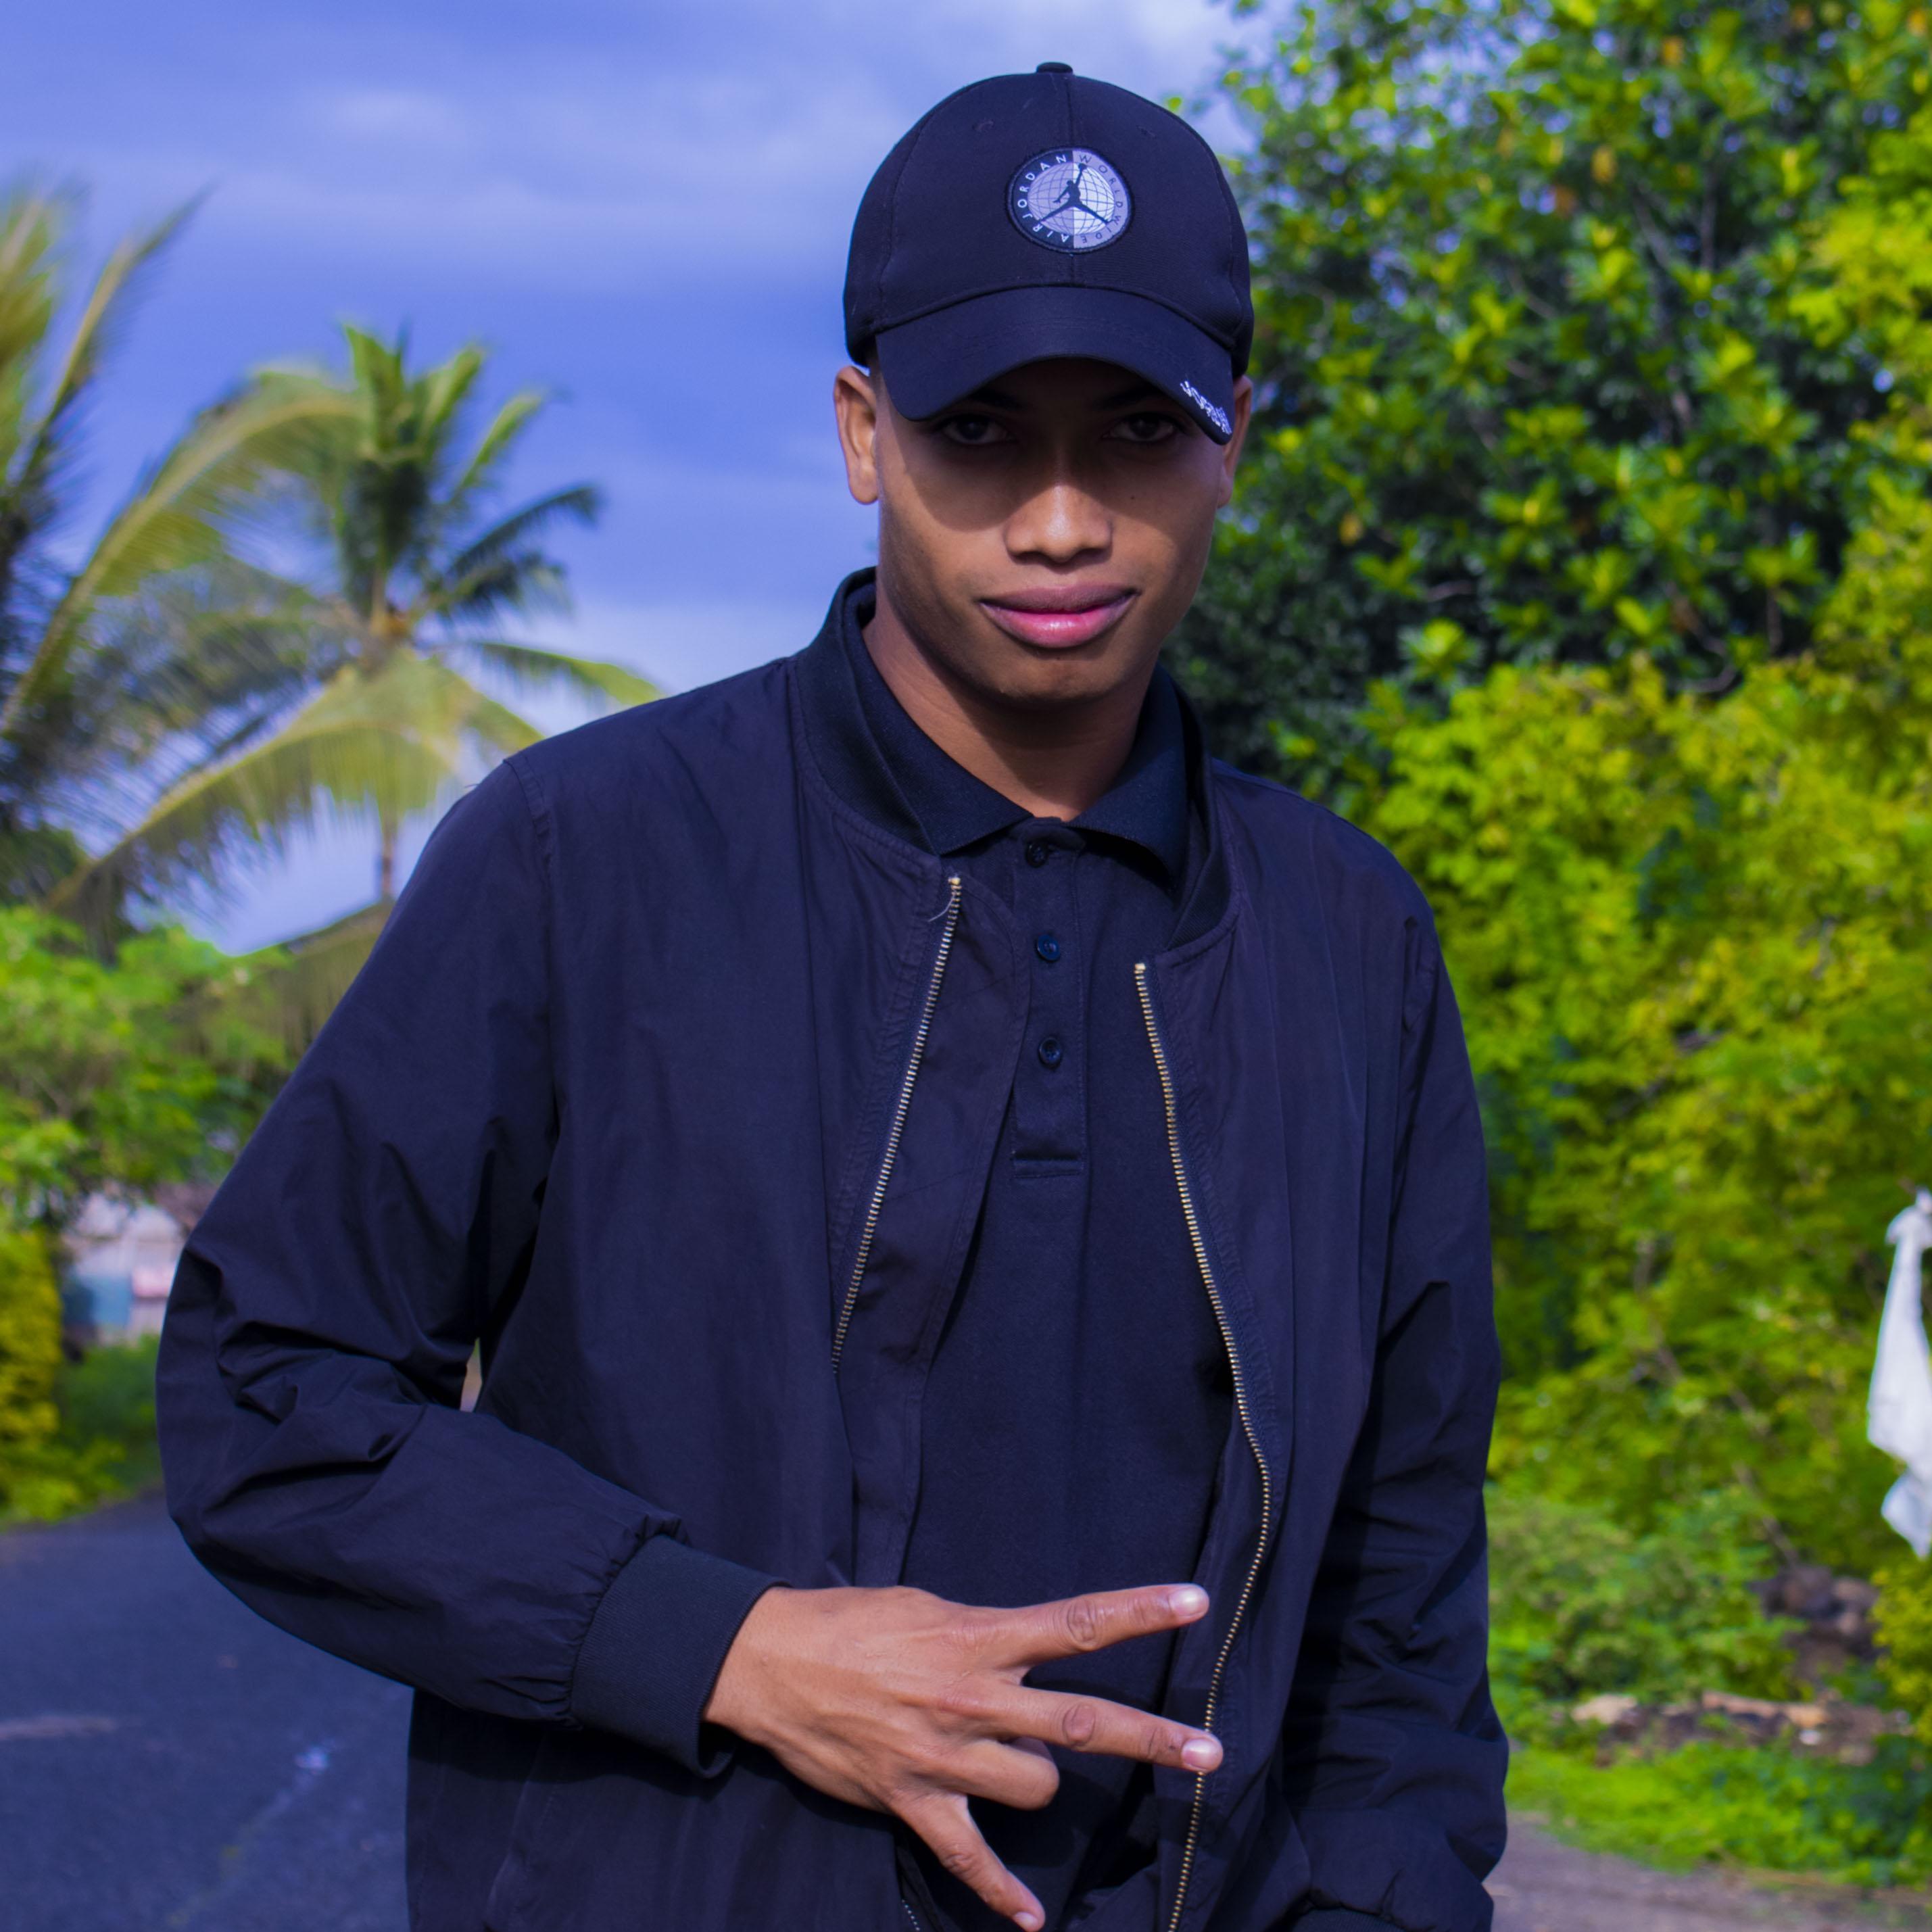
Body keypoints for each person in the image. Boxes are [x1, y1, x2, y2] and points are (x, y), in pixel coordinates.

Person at [158, 64, 1505, 1932]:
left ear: (1234, 440)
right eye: (979, 431)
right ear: (865, 433)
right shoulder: (582, 855)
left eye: (1136, 429)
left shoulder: (1347, 938)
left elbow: (1399, 1573)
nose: (1059, 520)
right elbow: (266, 1386)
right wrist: (722, 1642)